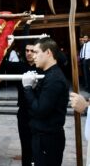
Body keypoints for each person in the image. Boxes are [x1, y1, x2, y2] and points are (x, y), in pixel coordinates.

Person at [22, 37, 69, 166]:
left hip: (48, 139)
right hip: (43, 136)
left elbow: (40, 110)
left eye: (36, 52)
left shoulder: (54, 78)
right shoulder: (48, 74)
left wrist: (27, 88)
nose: (33, 56)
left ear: (48, 53)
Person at [4, 19, 38, 166]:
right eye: (27, 51)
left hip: (39, 111)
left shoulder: (43, 67)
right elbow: (1, 63)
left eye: (33, 51)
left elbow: (62, 60)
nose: (29, 53)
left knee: (38, 146)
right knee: (26, 146)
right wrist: (5, 45)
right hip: (24, 112)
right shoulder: (20, 66)